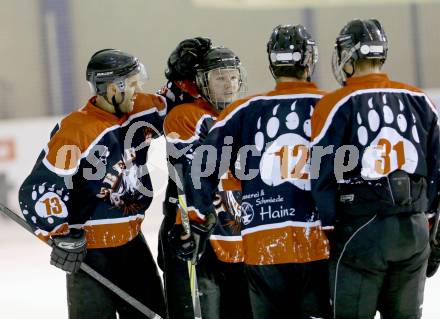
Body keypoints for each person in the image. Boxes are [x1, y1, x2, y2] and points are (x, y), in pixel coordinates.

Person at [181, 25, 331, 319]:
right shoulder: (331, 105)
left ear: (273, 63)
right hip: (318, 242)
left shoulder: (243, 110)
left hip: (263, 244)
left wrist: (198, 218)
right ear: (310, 60)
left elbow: (201, 166)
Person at [18, 49, 166, 319]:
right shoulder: (77, 130)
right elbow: (41, 187)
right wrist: (61, 235)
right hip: (90, 251)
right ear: (112, 89)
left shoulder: (139, 110)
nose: (138, 90)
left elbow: (174, 107)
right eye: (132, 84)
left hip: (132, 242)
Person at [311, 19, 440, 319]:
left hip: (362, 229)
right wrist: (430, 224)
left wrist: (330, 225)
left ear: (347, 56)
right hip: (415, 229)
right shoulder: (420, 99)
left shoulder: (335, 103)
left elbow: (320, 171)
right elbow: (437, 167)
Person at [159, 37, 252, 319]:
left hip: (237, 235)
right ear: (201, 83)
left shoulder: (247, 112)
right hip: (195, 233)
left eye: (233, 77)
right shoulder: (186, 116)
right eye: (219, 77)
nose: (228, 84)